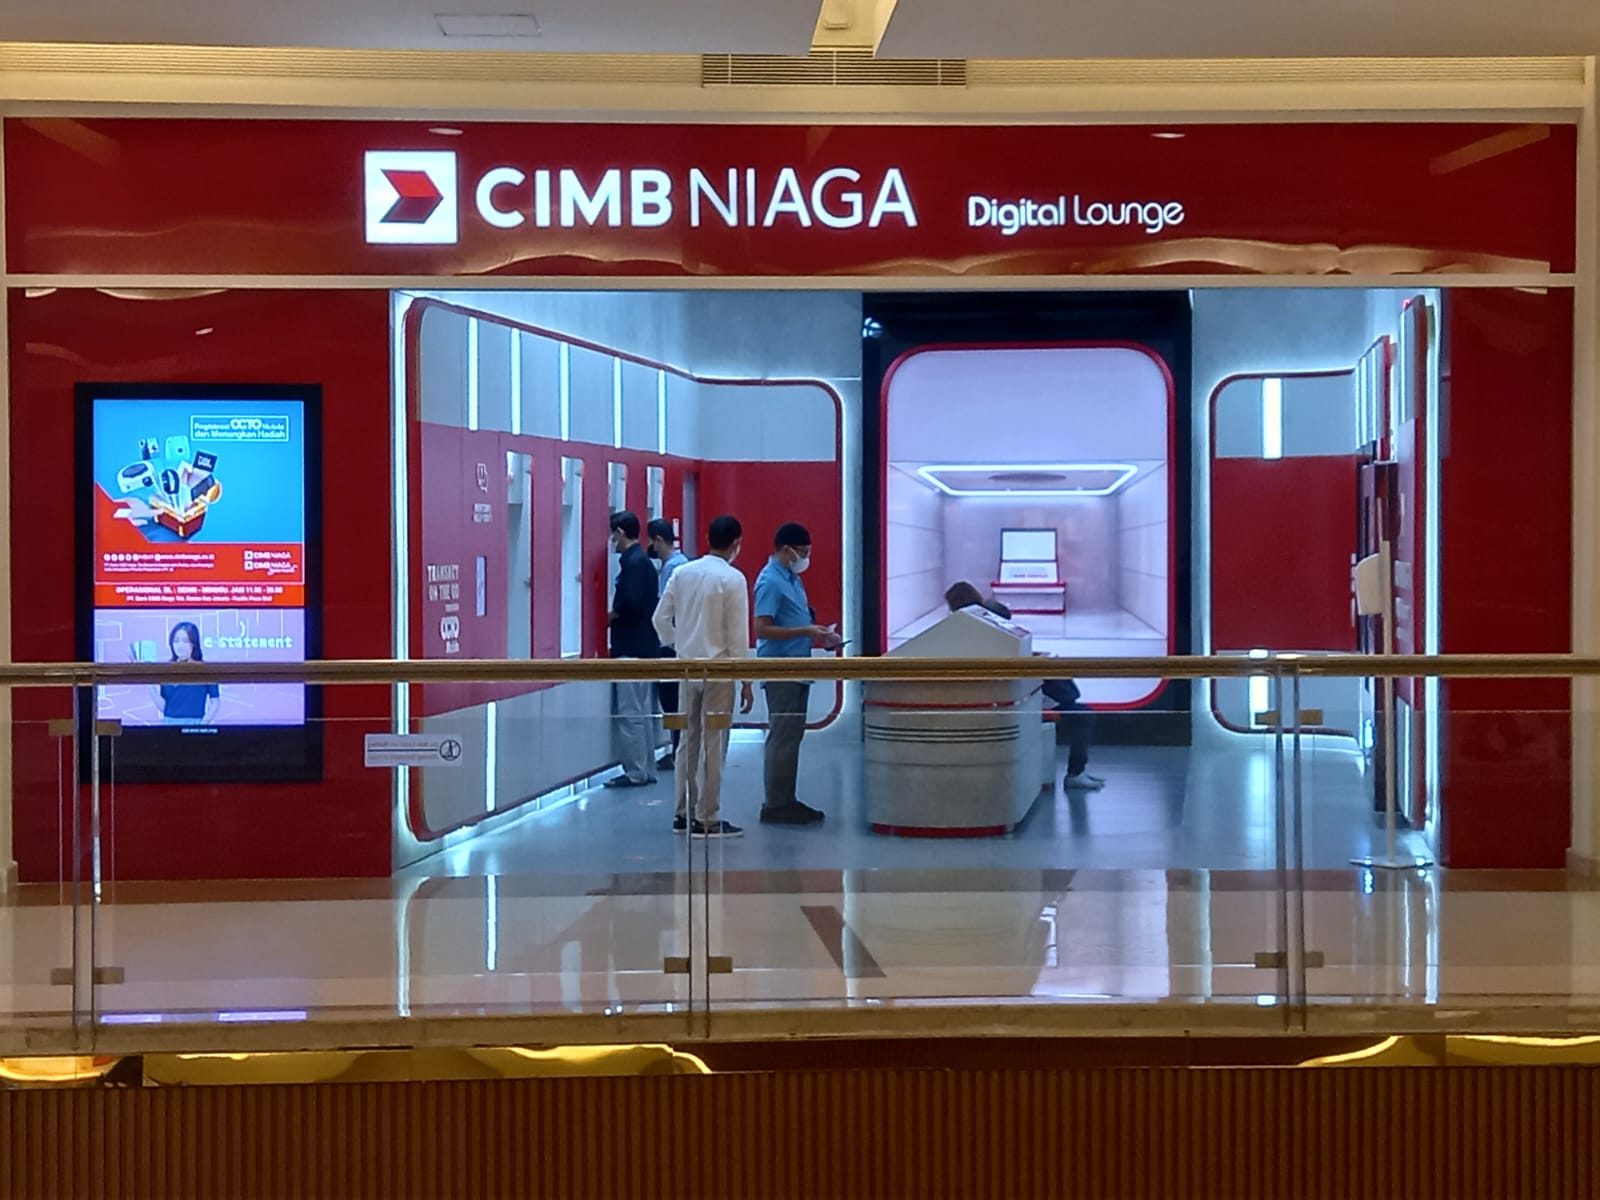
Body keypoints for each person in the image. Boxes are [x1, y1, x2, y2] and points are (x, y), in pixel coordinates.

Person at [944, 581, 1103, 792]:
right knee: (1082, 715)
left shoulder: (963, 630)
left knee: (1078, 712)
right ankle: (1076, 773)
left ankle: (1077, 772)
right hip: (1018, 694)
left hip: (1010, 692)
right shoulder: (989, 618)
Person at [652, 515, 755, 838]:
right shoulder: (733, 579)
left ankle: (682, 812)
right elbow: (737, 636)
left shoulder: (682, 573)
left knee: (687, 742)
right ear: (736, 543)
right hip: (719, 670)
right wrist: (746, 680)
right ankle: (707, 817)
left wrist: (677, 643)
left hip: (686, 667)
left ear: (708, 538)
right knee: (714, 743)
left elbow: (659, 618)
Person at [754, 522, 842, 825]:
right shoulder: (770, 581)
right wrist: (806, 630)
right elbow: (762, 628)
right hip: (781, 669)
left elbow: (795, 619)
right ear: (786, 549)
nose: (805, 558)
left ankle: (786, 798)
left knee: (792, 735)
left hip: (798, 666)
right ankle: (776, 803)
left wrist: (818, 634)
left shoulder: (792, 579)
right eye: (802, 552)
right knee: (782, 736)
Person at [605, 510, 661, 788]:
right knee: (643, 713)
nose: (611, 540)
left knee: (630, 714)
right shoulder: (643, 561)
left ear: (620, 532)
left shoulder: (633, 563)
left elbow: (629, 605)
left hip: (631, 648)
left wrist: (611, 615)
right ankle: (646, 768)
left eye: (612, 534)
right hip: (646, 647)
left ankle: (635, 771)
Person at [647, 517, 690, 769]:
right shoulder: (679, 565)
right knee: (675, 700)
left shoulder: (673, 569)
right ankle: (677, 748)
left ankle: (677, 749)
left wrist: (668, 641)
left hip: (672, 645)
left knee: (672, 700)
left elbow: (664, 611)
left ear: (658, 540)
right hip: (678, 642)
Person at [133, 620, 220, 725]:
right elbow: (166, 707)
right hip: (169, 725)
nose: (180, 645)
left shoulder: (205, 670)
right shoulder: (167, 669)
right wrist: (150, 687)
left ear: (194, 643)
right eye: (176, 641)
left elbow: (215, 701)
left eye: (185, 641)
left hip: (196, 724)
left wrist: (202, 725)